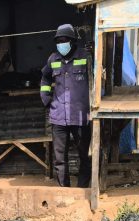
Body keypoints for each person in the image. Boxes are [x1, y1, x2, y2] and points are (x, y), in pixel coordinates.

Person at [40, 24, 92, 188]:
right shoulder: (53, 59)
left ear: (72, 41)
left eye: (64, 40)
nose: (61, 43)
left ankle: (82, 188)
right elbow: (45, 78)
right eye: (59, 41)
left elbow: (97, 79)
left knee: (85, 154)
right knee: (60, 157)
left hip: (81, 115)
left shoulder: (85, 56)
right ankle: (65, 189)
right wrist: (46, 98)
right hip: (59, 116)